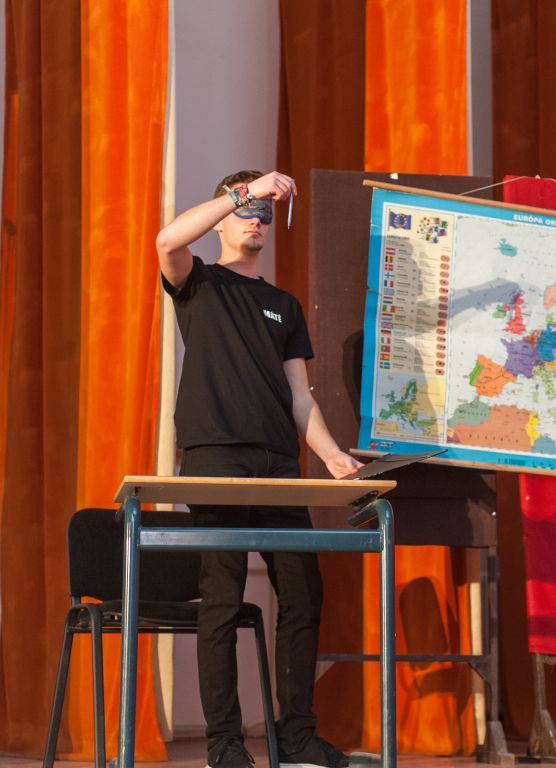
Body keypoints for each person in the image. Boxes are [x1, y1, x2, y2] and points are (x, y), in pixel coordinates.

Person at [156, 170, 362, 768]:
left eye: (266, 212)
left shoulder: (284, 305)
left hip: (277, 465)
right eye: (247, 209)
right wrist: (244, 193)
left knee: (302, 591)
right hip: (215, 458)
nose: (256, 220)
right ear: (225, 216)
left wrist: (330, 454)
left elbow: (300, 397)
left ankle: (296, 736)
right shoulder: (199, 282)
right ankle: (224, 744)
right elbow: (167, 241)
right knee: (222, 596)